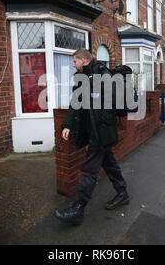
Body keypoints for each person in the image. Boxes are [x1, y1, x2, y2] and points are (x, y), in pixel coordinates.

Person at [55, 48, 129, 225]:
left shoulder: (103, 75)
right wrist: (67, 124)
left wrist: (100, 127)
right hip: (92, 131)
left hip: (101, 133)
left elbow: (113, 103)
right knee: (109, 163)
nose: (73, 64)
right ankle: (123, 193)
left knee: (89, 169)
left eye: (75, 61)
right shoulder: (81, 78)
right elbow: (75, 102)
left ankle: (78, 208)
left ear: (84, 60)